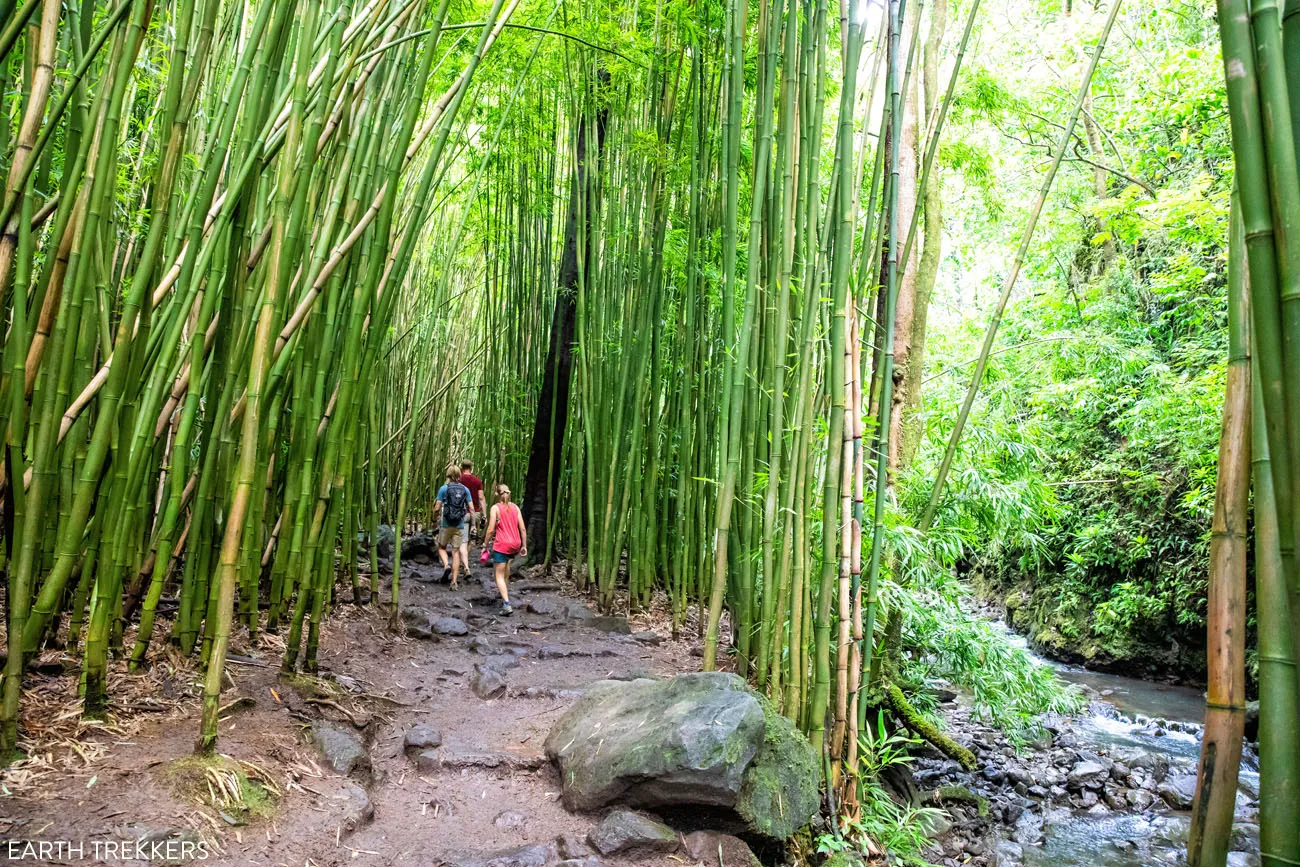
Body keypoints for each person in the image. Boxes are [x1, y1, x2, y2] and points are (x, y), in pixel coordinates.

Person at [484, 484, 527, 616]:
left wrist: (485, 544)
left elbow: (491, 529)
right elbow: (523, 528)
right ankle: (505, 592)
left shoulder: (495, 508)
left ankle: (507, 604)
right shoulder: (515, 507)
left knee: (498, 575)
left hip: (502, 543)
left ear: (497, 494)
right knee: (507, 565)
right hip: (515, 543)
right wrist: (524, 545)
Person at [435, 466, 472, 589]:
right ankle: (454, 582)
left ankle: (446, 565)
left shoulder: (444, 489)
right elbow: (471, 508)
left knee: (441, 547)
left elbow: (437, 507)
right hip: (459, 525)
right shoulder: (465, 489)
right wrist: (475, 525)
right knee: (456, 552)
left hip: (446, 524)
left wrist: (434, 516)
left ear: (448, 475)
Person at [459, 460, 487, 540]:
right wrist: (484, 515)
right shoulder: (477, 481)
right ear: (471, 468)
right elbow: (481, 498)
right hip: (475, 513)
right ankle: (467, 551)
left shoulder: (458, 480)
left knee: (462, 539)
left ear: (461, 468)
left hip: (461, 513)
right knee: (471, 540)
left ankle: (463, 551)